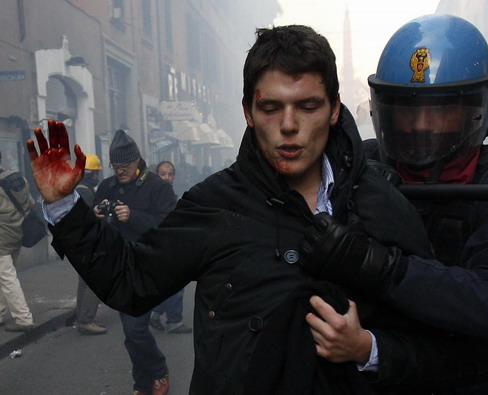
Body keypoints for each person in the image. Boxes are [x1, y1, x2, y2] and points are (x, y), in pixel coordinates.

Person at [27, 25, 440, 394]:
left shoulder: (379, 202)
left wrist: (368, 349)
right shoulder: (215, 203)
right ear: (248, 112)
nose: (289, 125)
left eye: (308, 106)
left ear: (334, 109)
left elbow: (437, 343)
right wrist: (64, 205)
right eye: (271, 107)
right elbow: (132, 281)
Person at [299, 14, 488, 394]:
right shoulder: (355, 166)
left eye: (441, 111)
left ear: (478, 107)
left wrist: (381, 268)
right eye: (407, 111)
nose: (421, 127)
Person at [93, 131, 175, 394]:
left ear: (137, 160)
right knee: (131, 331)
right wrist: (96, 216)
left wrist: (133, 216)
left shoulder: (157, 187)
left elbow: (168, 226)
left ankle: (158, 369)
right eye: (115, 167)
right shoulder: (106, 187)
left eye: (124, 167)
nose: (120, 172)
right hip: (118, 268)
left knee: (136, 328)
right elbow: (95, 226)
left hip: (147, 267)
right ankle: (143, 383)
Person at [149, 161, 192, 334]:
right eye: (163, 173)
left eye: (170, 173)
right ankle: (173, 320)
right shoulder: (155, 194)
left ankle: (157, 313)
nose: (167, 177)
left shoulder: (168, 193)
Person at [0, 150, 35, 332]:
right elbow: (29, 203)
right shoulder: (18, 178)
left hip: (2, 239)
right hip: (17, 233)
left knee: (7, 278)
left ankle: (23, 318)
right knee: (4, 276)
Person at [74, 154, 108, 335]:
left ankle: (81, 315)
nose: (97, 176)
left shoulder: (74, 189)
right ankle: (87, 320)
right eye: (95, 173)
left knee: (84, 281)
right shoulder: (85, 192)